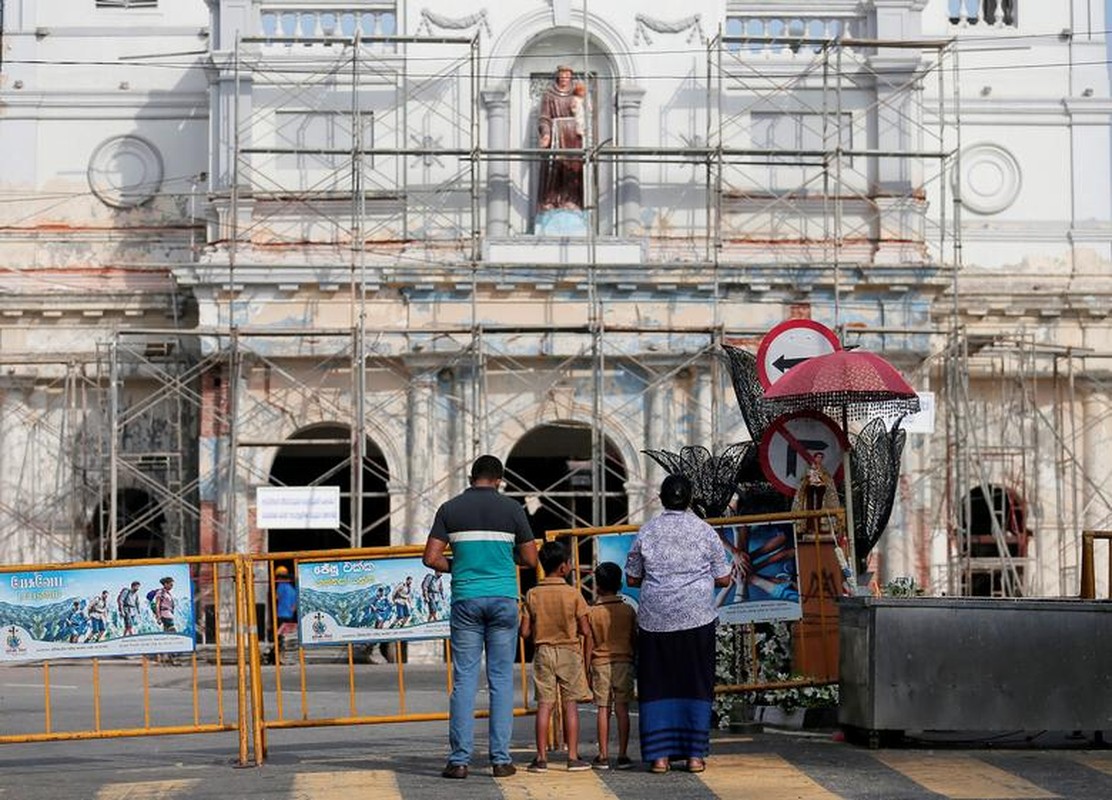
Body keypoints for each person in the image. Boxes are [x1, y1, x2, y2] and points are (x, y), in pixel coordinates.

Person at [422, 454, 538, 780]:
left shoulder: (450, 509)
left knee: (464, 682)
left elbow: (431, 558)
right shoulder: (513, 510)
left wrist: (457, 566)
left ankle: (459, 760)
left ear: (472, 477)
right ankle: (501, 760)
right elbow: (530, 558)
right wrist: (504, 557)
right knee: (501, 682)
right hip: (503, 598)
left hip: (466, 599)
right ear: (499, 479)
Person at [625, 474, 731, 774]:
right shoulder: (705, 531)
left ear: (661, 498)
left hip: (655, 621)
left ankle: (660, 758)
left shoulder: (648, 531)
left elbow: (632, 577)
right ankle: (695, 757)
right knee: (696, 683)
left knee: (657, 685)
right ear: (690, 499)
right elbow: (723, 577)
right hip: (697, 618)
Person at [520, 540, 593, 773]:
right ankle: (572, 757)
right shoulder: (573, 594)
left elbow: (524, 631)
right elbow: (585, 629)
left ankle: (541, 758)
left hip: (543, 652)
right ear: (563, 567)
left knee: (545, 706)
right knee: (570, 705)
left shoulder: (532, 594)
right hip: (569, 652)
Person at [586, 561, 636, 770]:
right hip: (624, 661)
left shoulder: (592, 613)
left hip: (600, 663)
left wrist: (586, 668)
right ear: (620, 584)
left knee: (602, 709)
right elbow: (634, 638)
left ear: (597, 585)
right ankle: (623, 754)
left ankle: (603, 755)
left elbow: (588, 643)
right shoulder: (628, 610)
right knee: (622, 709)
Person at [536, 65, 584, 212]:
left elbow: (585, 113)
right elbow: (544, 117)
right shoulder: (549, 94)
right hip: (556, 133)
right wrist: (546, 134)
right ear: (558, 76)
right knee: (554, 167)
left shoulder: (576, 93)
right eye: (562, 74)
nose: (564, 78)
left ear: (570, 76)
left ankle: (571, 199)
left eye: (567, 75)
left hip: (573, 135)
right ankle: (551, 200)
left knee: (572, 167)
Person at [267, 566, 298, 665]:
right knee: (285, 637)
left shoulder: (281, 586)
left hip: (281, 615)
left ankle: (275, 657)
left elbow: (277, 597)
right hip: (290, 616)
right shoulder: (293, 589)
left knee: (278, 638)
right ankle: (282, 657)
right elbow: (295, 605)